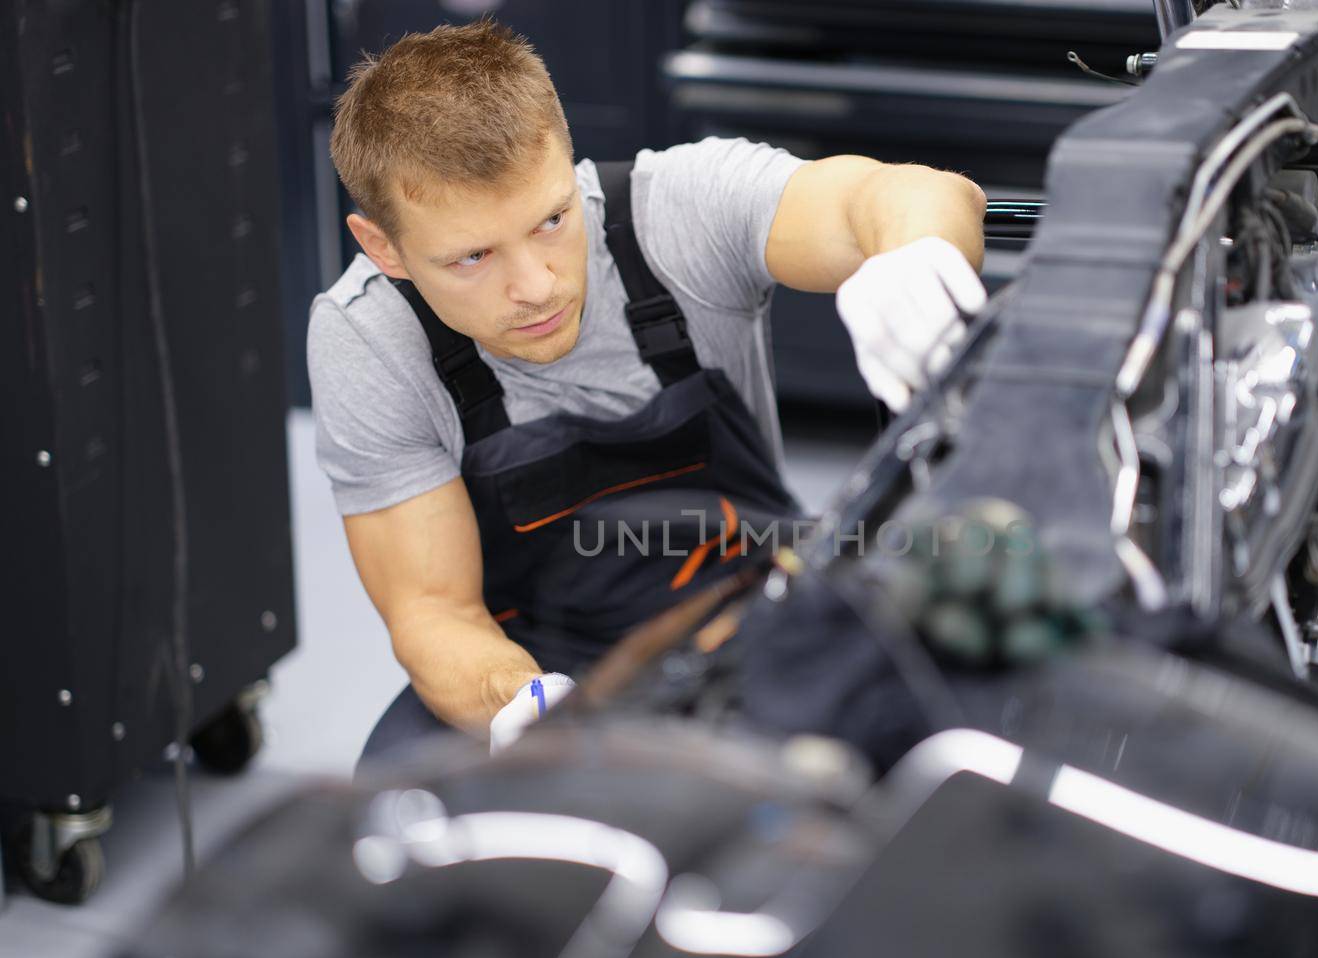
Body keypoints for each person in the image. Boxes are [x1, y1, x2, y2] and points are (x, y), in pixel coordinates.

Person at [308, 20, 987, 771]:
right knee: (399, 801)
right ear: (384, 248)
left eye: (552, 220)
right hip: (535, 657)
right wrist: (529, 706)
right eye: (473, 256)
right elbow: (434, 612)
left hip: (747, 614)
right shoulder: (367, 338)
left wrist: (918, 256)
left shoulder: (675, 213)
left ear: (571, 162)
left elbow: (906, 192)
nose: (536, 285)